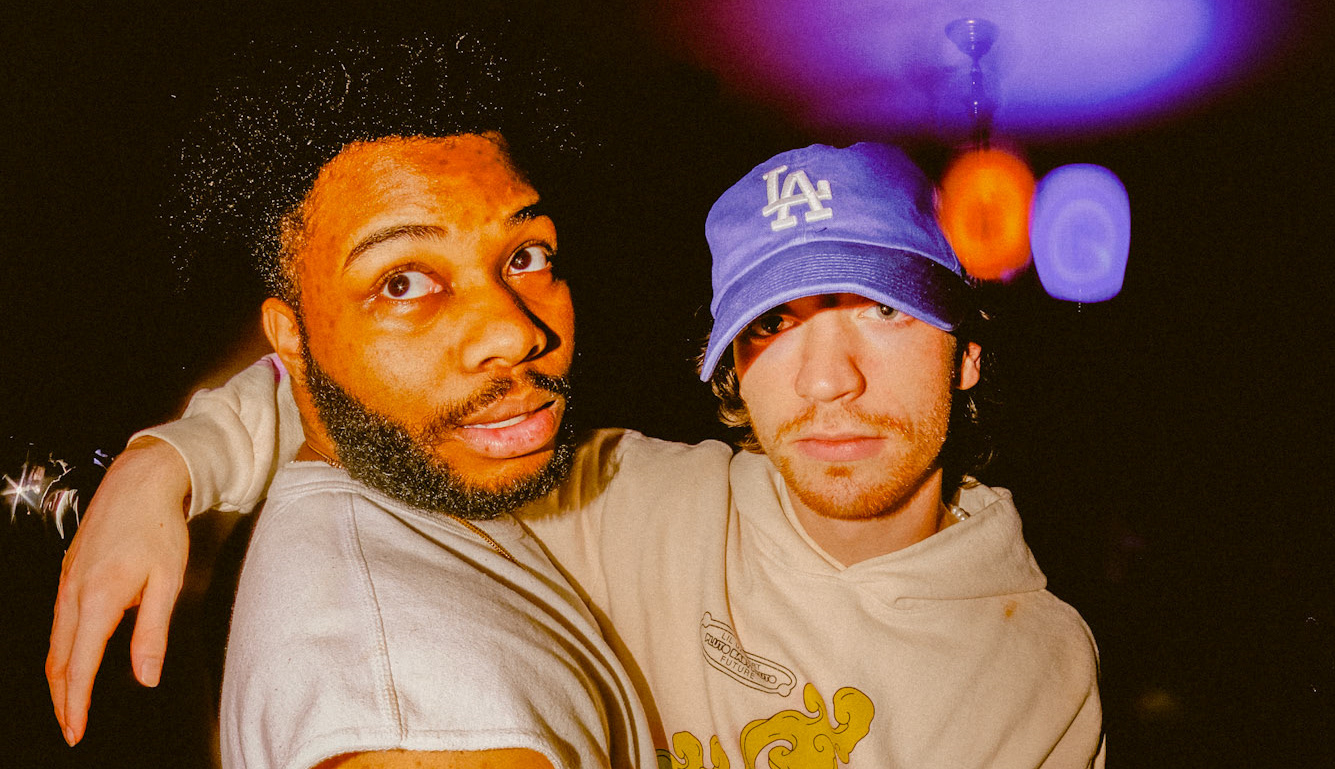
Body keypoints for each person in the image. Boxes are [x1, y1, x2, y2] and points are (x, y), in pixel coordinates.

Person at [50, 142, 1106, 767]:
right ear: (731, 372)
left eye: (880, 310)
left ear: (966, 353)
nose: (829, 380)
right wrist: (170, 461)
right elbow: (401, 401)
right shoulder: (629, 497)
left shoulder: (1043, 673)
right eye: (777, 325)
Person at [48, 34, 654, 769]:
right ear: (292, 338)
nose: (515, 331)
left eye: (524, 257)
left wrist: (169, 457)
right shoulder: (406, 716)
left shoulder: (415, 471)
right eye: (403, 283)